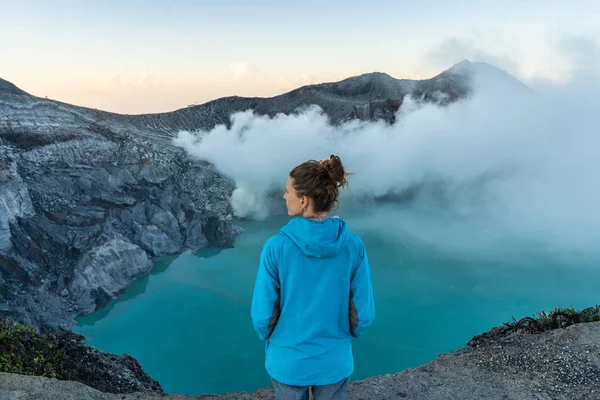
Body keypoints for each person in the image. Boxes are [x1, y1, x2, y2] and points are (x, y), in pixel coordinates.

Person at [251, 155, 376, 400]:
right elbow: (363, 314)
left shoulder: (275, 248)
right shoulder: (354, 247)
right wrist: (341, 339)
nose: (284, 196)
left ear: (304, 200)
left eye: (288, 192)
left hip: (288, 361)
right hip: (334, 361)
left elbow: (263, 316)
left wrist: (278, 340)